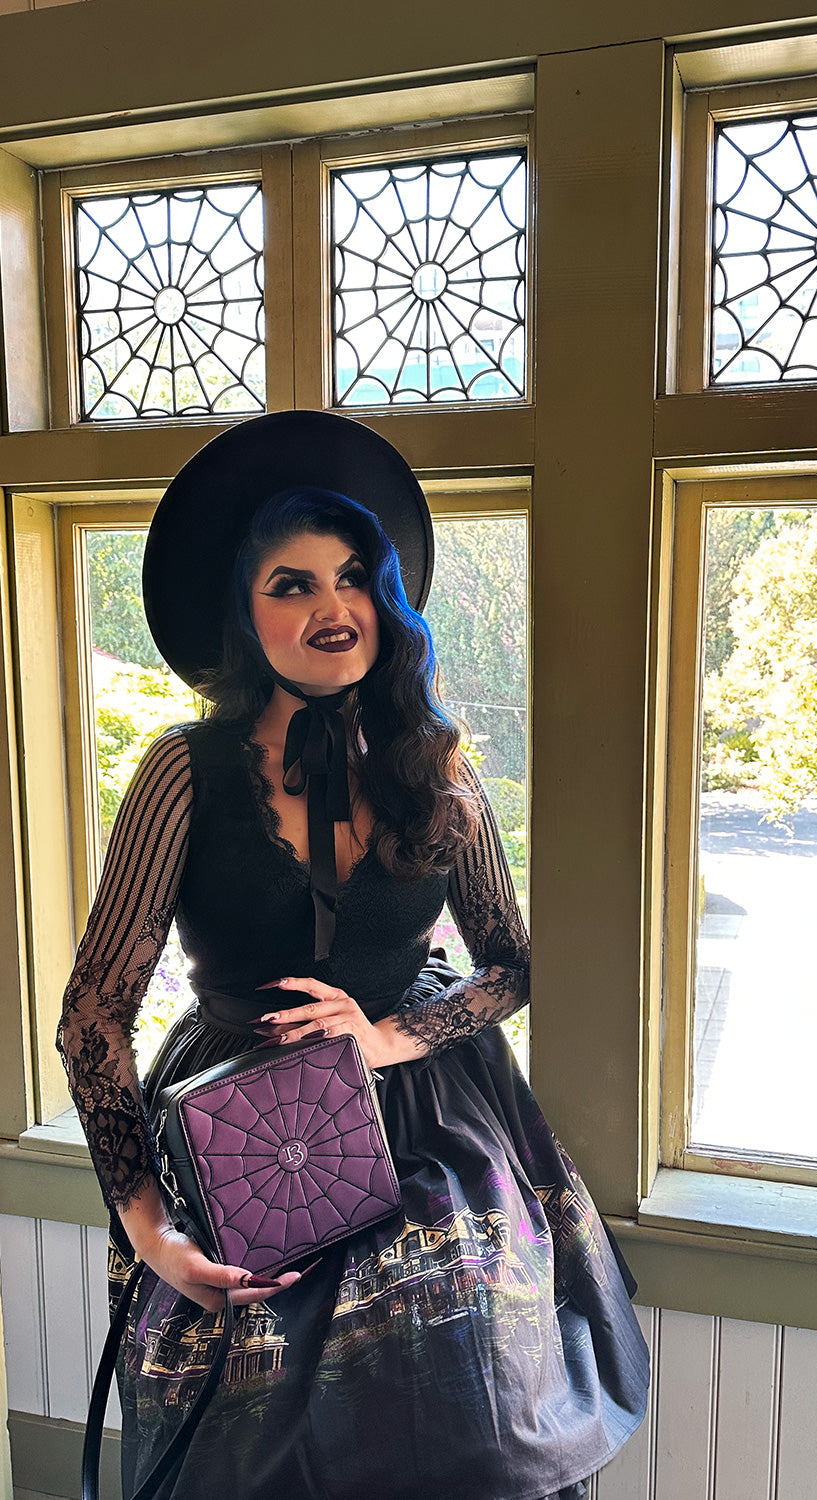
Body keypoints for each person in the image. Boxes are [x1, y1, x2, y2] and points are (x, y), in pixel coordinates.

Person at [56, 410, 650, 1500]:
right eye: (291, 584)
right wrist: (151, 1234)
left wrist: (385, 1038)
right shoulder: (183, 772)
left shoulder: (439, 767)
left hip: (430, 1118)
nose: (331, 607)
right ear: (245, 615)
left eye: (353, 578)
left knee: (476, 1420)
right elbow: (93, 1013)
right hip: (238, 1123)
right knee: (248, 1448)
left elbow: (512, 964)